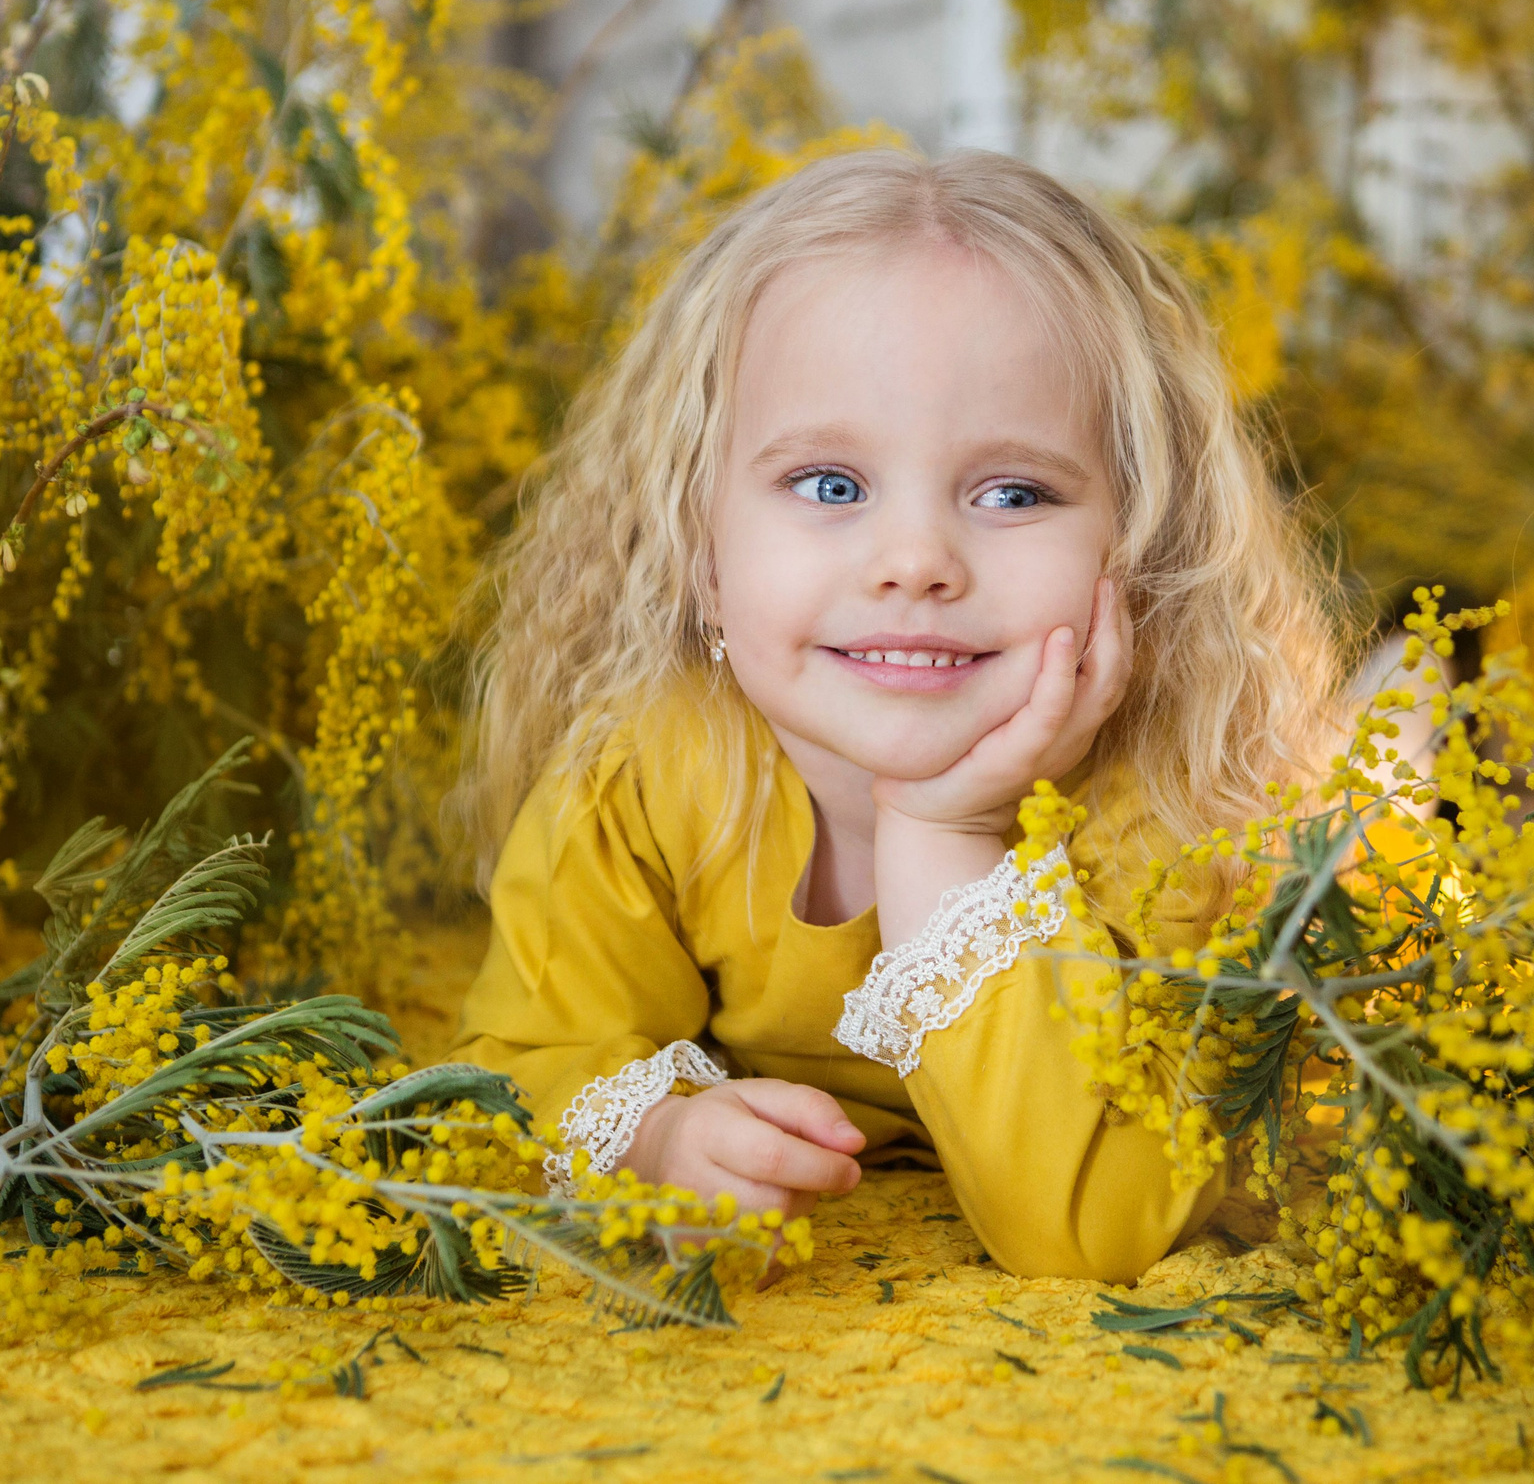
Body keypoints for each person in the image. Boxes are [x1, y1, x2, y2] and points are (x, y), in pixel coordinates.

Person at [449, 147, 1340, 1282]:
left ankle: (1396, 725)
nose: (915, 562)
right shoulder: (649, 770)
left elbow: (1092, 1225)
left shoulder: (1178, 808)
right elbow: (520, 1058)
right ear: (699, 549)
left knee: (1382, 801)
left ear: (1143, 544)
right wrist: (655, 1137)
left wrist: (947, 830)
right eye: (830, 485)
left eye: (1013, 492)